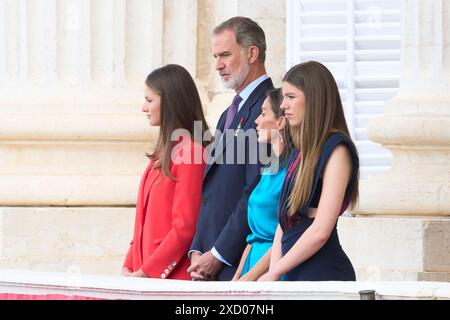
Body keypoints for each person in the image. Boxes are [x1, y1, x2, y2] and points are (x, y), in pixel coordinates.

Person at [187, 17, 274, 281]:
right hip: (207, 261)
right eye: (215, 56)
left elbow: (255, 189)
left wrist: (218, 253)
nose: (217, 65)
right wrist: (197, 248)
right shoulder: (228, 113)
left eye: (225, 54)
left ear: (252, 53)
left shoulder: (270, 109)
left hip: (237, 263)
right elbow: (212, 190)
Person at [258, 61, 359, 281]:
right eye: (283, 97)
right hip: (294, 275)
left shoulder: (337, 149)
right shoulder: (299, 152)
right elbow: (284, 221)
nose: (283, 105)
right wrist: (274, 273)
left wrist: (275, 271)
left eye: (291, 97)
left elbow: (321, 230)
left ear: (315, 99)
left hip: (324, 275)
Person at [122, 64, 209, 280]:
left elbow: (185, 227)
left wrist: (147, 271)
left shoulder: (192, 153)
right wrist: (129, 265)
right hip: (145, 277)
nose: (144, 107)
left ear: (170, 102)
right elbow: (141, 224)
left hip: (172, 280)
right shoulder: (160, 155)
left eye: (149, 100)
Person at [232, 88, 294, 281]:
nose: (257, 121)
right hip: (251, 266)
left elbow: (283, 234)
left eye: (263, 113)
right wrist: (237, 278)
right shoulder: (269, 168)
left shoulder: (292, 172)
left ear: (280, 121)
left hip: (273, 269)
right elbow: (253, 237)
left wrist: (250, 277)